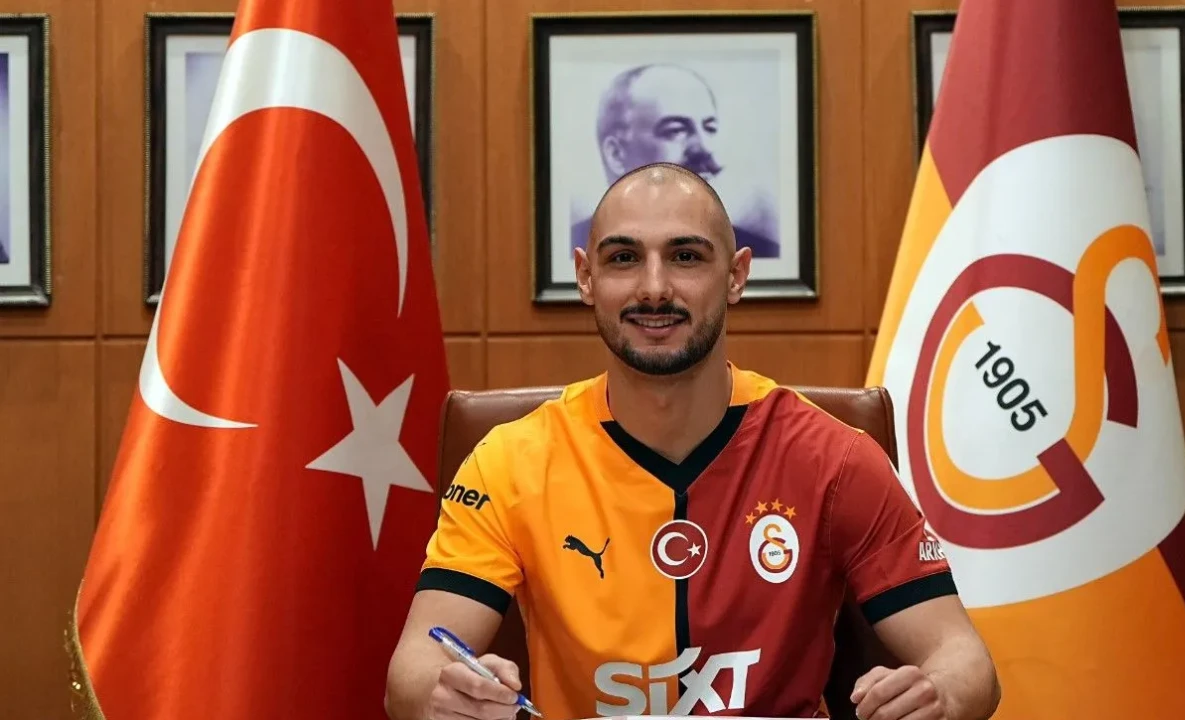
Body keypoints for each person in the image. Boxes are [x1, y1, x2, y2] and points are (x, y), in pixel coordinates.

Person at [385, 163, 1000, 720]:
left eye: (685, 256)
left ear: (736, 276)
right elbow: (413, 669)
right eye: (623, 258)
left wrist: (939, 693)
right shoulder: (508, 463)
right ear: (585, 277)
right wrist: (444, 694)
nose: (654, 288)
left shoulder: (835, 459)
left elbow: (964, 658)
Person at [569, 64, 781, 259]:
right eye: (676, 131)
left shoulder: (757, 249)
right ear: (616, 154)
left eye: (710, 128)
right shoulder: (580, 244)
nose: (706, 148)